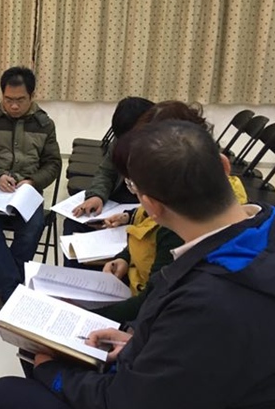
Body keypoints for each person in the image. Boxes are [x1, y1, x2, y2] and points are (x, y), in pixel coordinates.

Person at [0, 119, 275, 409]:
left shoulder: (209, 299)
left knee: (1, 401)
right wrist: (140, 341)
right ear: (225, 167)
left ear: (151, 207)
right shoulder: (268, 232)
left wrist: (54, 374)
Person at [96, 101, 247, 323]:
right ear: (224, 165)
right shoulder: (264, 228)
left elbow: (153, 304)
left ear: (152, 206)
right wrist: (125, 257)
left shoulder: (194, 290)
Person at [0, 67, 62, 311]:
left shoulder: (44, 124)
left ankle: (6, 290)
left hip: (26, 192)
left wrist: (33, 181)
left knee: (34, 226)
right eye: (8, 100)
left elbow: (53, 163)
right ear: (2, 95)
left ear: (32, 96)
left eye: (20, 100)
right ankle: (13, 293)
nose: (14, 106)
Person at [70, 96, 154, 220]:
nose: (127, 144)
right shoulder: (121, 139)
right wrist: (96, 195)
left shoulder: (168, 152)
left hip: (148, 209)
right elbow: (106, 172)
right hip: (117, 199)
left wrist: (132, 216)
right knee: (76, 221)